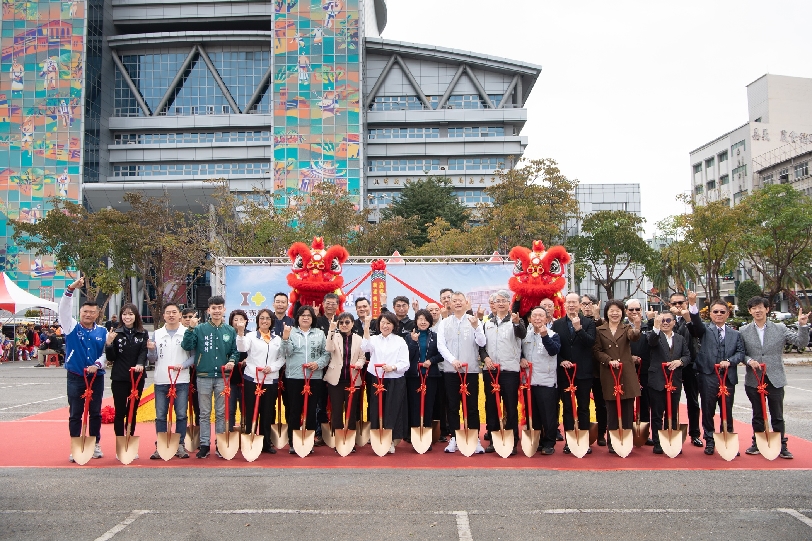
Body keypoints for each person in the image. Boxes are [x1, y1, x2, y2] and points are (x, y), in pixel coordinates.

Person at [740, 297, 810, 459]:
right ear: (750, 311)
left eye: (760, 307)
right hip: (754, 378)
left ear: (767, 309)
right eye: (753, 308)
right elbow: (740, 353)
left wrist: (802, 325)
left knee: (777, 414)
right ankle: (757, 442)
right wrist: (749, 361)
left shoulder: (780, 328)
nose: (757, 311)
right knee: (757, 413)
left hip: (775, 377)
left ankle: (782, 445)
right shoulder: (744, 331)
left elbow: (800, 342)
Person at [685, 292, 745, 456]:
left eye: (722, 312)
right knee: (708, 409)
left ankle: (727, 439)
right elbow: (695, 323)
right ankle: (710, 441)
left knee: (727, 410)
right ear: (710, 314)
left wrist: (730, 361)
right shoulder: (704, 330)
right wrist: (692, 304)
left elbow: (741, 353)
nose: (719, 314)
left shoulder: (736, 334)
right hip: (708, 376)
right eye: (715, 311)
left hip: (728, 377)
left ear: (727, 314)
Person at [181, 296, 239, 459]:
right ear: (208, 310)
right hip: (203, 376)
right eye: (214, 308)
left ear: (224, 309)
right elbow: (187, 346)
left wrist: (232, 361)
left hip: (222, 377)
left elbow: (235, 351)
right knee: (204, 413)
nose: (217, 311)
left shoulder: (230, 330)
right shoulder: (199, 329)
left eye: (220, 307)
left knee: (221, 412)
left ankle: (220, 444)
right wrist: (190, 329)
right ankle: (205, 444)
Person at [60, 276, 107, 462]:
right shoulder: (70, 327)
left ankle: (95, 444)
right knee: (75, 413)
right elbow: (63, 308)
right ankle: (76, 446)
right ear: (80, 312)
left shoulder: (103, 331)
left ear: (97, 314)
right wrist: (71, 288)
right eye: (85, 311)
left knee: (95, 412)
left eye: (92, 312)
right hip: (76, 376)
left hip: (96, 377)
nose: (88, 314)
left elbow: (105, 353)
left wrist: (97, 365)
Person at [436, 291, 487, 454]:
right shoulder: (444, 322)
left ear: (466, 303)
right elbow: (441, 346)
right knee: (452, 406)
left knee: (471, 407)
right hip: (451, 371)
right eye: (454, 301)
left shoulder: (474, 321)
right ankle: (455, 438)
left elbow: (482, 342)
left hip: (470, 370)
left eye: (460, 300)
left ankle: (475, 438)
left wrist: (476, 328)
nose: (457, 303)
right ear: (449, 304)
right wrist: (452, 360)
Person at [592, 299, 642, 454]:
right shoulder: (600, 330)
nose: (615, 313)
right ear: (606, 313)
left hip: (626, 372)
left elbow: (634, 336)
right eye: (612, 310)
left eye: (618, 310)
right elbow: (596, 351)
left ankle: (626, 440)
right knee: (611, 408)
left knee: (627, 407)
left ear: (622, 313)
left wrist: (637, 325)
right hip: (609, 372)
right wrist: (608, 361)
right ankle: (612, 441)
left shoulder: (626, 327)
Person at [480, 290, 526, 455]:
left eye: (504, 301)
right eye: (497, 301)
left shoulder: (515, 321)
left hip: (509, 370)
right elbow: (481, 345)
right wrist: (485, 358)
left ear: (509, 303)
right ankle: (493, 439)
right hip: (491, 370)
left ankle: (512, 440)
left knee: (510, 406)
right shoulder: (488, 323)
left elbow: (522, 334)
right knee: (491, 406)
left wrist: (516, 322)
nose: (500, 303)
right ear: (493, 304)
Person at [280, 305, 329, 454]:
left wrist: (318, 364)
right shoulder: (291, 332)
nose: (305, 317)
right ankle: (293, 442)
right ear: (297, 318)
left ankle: (308, 441)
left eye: (308, 315)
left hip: (314, 377)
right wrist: (286, 338)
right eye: (302, 315)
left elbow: (326, 354)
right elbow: (285, 352)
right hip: (294, 376)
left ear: (312, 318)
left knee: (311, 409)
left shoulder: (319, 334)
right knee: (294, 409)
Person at [552, 292, 597, 454]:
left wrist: (579, 329)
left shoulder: (588, 323)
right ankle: (569, 440)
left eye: (574, 302)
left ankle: (584, 439)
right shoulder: (557, 325)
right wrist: (561, 360)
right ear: (564, 305)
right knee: (568, 408)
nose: (571, 305)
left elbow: (591, 342)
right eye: (568, 302)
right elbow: (554, 348)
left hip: (584, 372)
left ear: (579, 305)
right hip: (565, 372)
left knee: (583, 407)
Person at [236, 308, 285, 454]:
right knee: (251, 410)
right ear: (257, 320)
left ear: (272, 321)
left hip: (270, 379)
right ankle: (250, 438)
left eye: (268, 318)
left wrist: (273, 368)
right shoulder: (250, 336)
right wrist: (240, 332)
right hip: (252, 378)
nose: (265, 321)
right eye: (262, 318)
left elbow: (282, 358)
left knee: (267, 411)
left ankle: (265, 442)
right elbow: (242, 347)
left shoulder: (277, 339)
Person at [148, 303, 193, 459]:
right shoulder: (157, 334)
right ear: (164, 315)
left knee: (181, 414)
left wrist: (184, 365)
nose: (171, 315)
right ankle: (161, 445)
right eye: (168, 312)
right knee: (161, 415)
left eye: (174, 312)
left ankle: (180, 445)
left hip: (181, 379)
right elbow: (152, 359)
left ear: (180, 315)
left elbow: (194, 356)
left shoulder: (187, 333)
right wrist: (151, 350)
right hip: (161, 380)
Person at [361, 312, 410, 454]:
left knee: (392, 410)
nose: (385, 325)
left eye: (389, 323)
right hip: (377, 379)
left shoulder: (400, 341)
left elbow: (405, 363)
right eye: (383, 322)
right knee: (376, 409)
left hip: (394, 379)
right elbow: (365, 347)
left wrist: (392, 367)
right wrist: (366, 326)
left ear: (394, 325)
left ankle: (391, 441)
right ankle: (378, 439)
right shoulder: (374, 339)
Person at [105, 303, 149, 456]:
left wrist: (140, 364)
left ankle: (130, 441)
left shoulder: (142, 333)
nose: (127, 317)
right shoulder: (116, 333)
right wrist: (109, 344)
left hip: (137, 377)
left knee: (133, 410)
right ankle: (120, 443)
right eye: (124, 314)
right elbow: (111, 358)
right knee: (120, 411)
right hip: (119, 377)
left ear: (136, 316)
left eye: (130, 314)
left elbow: (143, 352)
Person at [647, 312, 691, 454]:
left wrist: (681, 361)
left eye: (668, 320)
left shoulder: (680, 338)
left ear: (674, 322)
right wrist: (656, 325)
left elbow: (687, 355)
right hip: (658, 380)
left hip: (674, 380)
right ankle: (657, 442)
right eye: (662, 320)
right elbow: (651, 342)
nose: (665, 322)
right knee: (657, 413)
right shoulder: (654, 335)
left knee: (672, 412)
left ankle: (671, 439)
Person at [521, 306, 561, 454]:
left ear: (547, 319)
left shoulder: (553, 335)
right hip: (529, 380)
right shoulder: (525, 336)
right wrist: (521, 359)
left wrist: (544, 336)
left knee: (548, 414)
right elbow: (518, 351)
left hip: (546, 381)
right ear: (530, 319)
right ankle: (536, 439)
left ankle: (549, 442)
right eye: (534, 316)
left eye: (541, 316)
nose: (537, 318)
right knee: (533, 412)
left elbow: (553, 351)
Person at [666, 291, 702, 448]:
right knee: (671, 401)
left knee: (693, 401)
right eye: (674, 303)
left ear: (686, 303)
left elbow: (697, 333)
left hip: (690, 365)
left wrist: (687, 317)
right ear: (669, 305)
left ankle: (694, 434)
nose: (678, 306)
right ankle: (670, 430)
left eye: (681, 302)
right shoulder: (666, 319)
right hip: (671, 367)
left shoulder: (692, 318)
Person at [324, 312, 365, 446]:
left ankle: (350, 441)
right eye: (341, 323)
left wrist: (359, 363)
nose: (344, 325)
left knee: (351, 411)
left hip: (353, 379)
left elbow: (362, 356)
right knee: (336, 411)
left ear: (352, 324)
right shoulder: (333, 336)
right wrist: (331, 330)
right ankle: (339, 440)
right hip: (336, 380)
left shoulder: (359, 339)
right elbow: (328, 348)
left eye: (347, 322)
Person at [405, 309, 443, 450]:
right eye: (420, 319)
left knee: (428, 405)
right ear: (416, 321)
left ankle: (426, 437)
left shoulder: (436, 336)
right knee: (414, 405)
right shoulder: (409, 337)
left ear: (430, 322)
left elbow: (441, 355)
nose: (423, 322)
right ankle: (415, 437)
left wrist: (431, 361)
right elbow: (407, 356)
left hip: (430, 376)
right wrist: (414, 342)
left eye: (425, 319)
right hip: (413, 376)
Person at [629, 300, 653, 445]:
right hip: (627, 371)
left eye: (637, 309)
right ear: (626, 311)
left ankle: (644, 433)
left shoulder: (648, 327)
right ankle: (629, 431)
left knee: (645, 403)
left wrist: (650, 322)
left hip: (645, 370)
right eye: (630, 309)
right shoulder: (622, 327)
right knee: (628, 404)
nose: (634, 312)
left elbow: (653, 341)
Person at [227, 310, 249, 433]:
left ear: (246, 321)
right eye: (236, 320)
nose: (238, 322)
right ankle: (229, 432)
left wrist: (248, 359)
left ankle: (245, 432)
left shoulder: (251, 335)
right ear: (231, 322)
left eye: (241, 319)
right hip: (230, 376)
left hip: (246, 376)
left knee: (245, 407)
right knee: (230, 408)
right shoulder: (227, 335)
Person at [181, 308, 200, 425]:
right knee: (181, 408)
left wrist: (183, 365)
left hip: (195, 373)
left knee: (198, 405)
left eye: (191, 316)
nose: (188, 319)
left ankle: (198, 432)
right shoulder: (178, 332)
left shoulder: (199, 331)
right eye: (185, 317)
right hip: (178, 374)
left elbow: (195, 355)